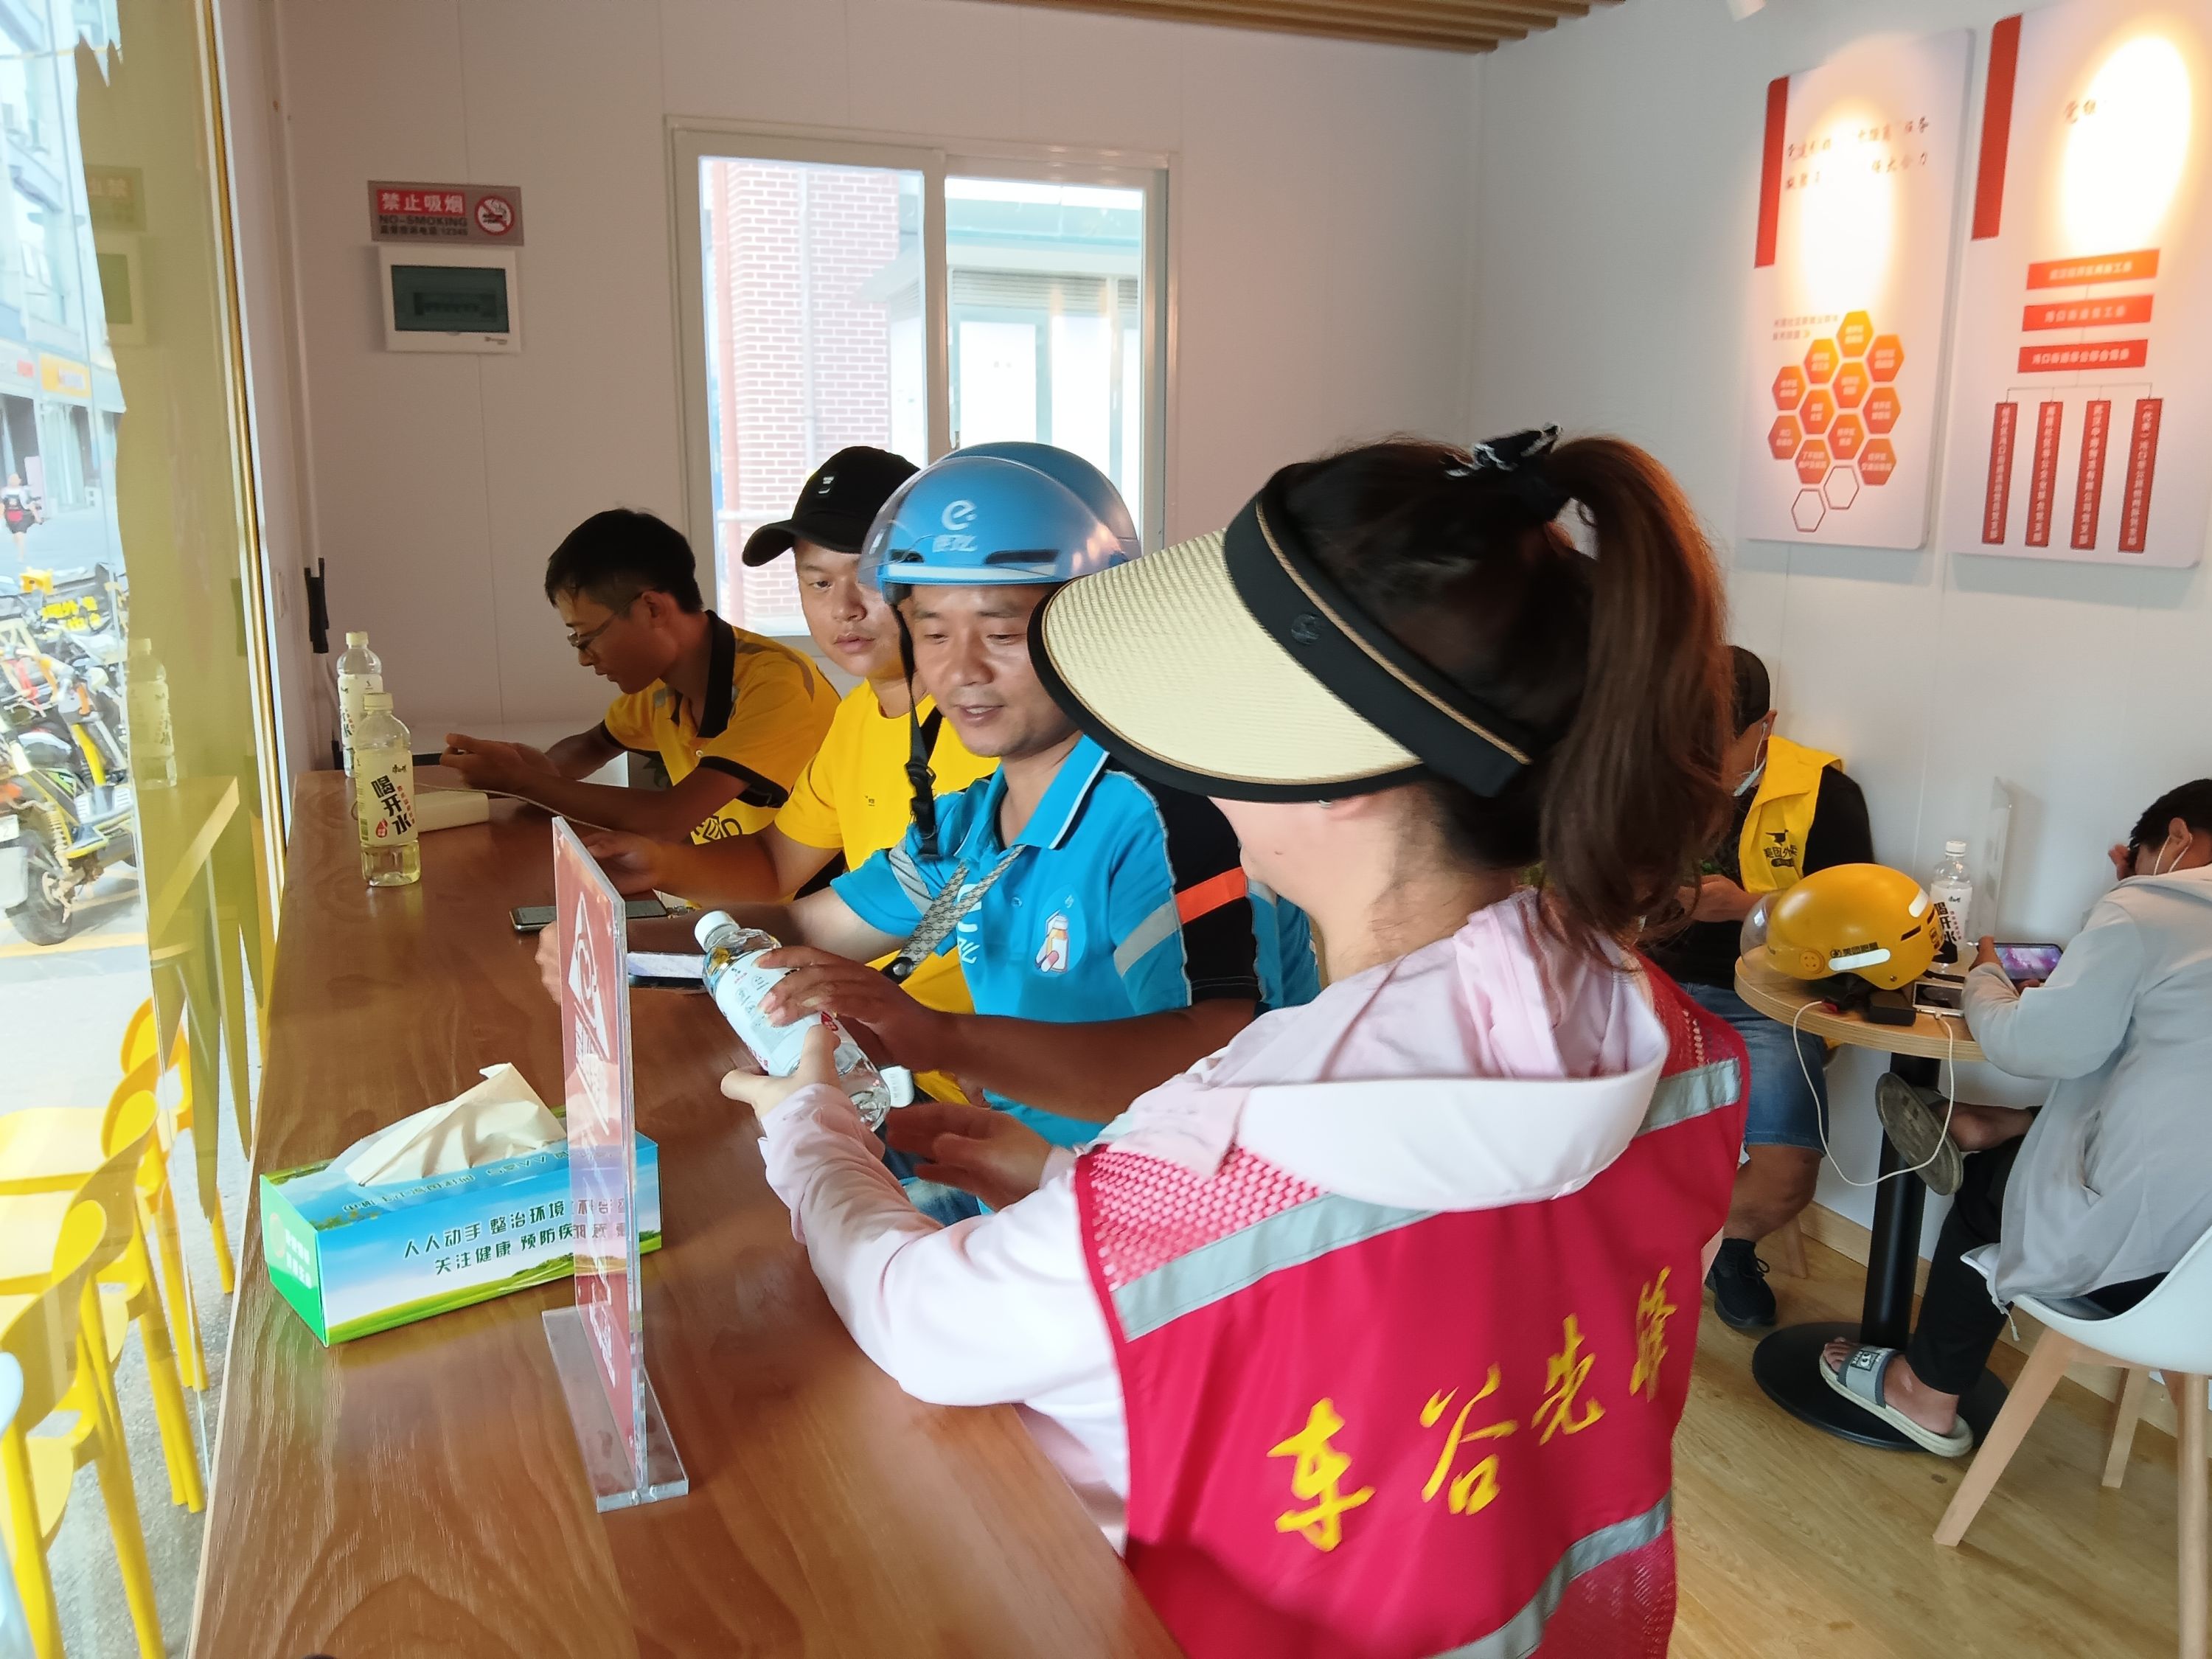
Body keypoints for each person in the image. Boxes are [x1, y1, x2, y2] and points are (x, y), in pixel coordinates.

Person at [723, 430, 1749, 1658]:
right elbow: (1399, 1275)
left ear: (1334, 759)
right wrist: (1070, 1184)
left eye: (1216, 699)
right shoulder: (1680, 1039)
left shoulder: (1231, 1132)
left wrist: (810, 1125)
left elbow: (917, 1316)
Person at [658, 441, 1316, 1165]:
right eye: (933, 632)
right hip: (1027, 1168)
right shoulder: (973, 824)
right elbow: (806, 922)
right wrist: (615, 944)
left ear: (1096, 628)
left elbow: (1213, 1053)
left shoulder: (1165, 816)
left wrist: (941, 1039)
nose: (960, 669)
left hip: (1165, 1193)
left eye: (1001, 632)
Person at [585, 446, 996, 1105]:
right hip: (870, 1055)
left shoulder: (1000, 740)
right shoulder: (858, 718)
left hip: (969, 1087)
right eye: (818, 583)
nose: (845, 608)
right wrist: (659, 868)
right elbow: (780, 868)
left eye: (869, 576)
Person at [1819, 779, 2212, 1455]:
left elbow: (2031, 1048)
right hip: (2198, 1277)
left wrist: (1986, 975)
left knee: (1992, 1191)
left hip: (2140, 1267)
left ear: (2176, 837)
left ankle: (1925, 1392)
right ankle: (2000, 1124)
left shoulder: (2155, 908)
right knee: (2139, 1087)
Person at [1646, 645, 1872, 1331]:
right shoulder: (1652, 780)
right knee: (1588, 1118)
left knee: (1787, 1173)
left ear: (1766, 726)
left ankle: (1724, 1248)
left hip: (1767, 1001)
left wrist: (1747, 907)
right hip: (1652, 983)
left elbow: (1854, 927)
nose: (1702, 766)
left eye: (1719, 747)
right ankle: (1639, 1251)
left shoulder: (1825, 798)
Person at [442, 507, 838, 841]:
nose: (584, 659)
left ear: (651, 609)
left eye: (586, 638)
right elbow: (592, 745)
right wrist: (535, 770)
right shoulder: (662, 690)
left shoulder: (777, 685)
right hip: (716, 897)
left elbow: (668, 818)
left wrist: (526, 783)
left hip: (797, 905)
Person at [3, 473, 34, 576]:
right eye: (12, 479)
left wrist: (34, 514)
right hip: (10, 517)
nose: (13, 481)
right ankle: (22, 550)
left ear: (19, 481)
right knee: (16, 536)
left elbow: (28, 503)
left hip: (21, 515)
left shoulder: (22, 491)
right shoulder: (5, 492)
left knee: (20, 535)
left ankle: (21, 556)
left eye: (16, 479)